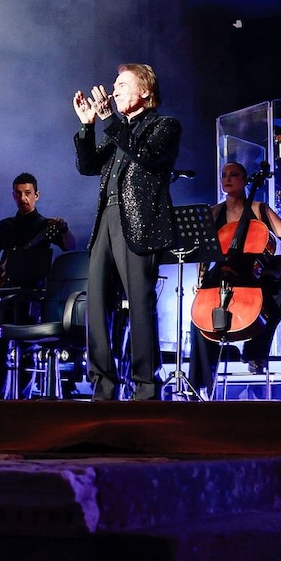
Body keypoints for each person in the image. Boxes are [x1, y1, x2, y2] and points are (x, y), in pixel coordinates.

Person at [72, 63, 180, 401]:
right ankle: (103, 387)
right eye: (114, 85)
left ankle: (146, 387)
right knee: (97, 304)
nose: (114, 90)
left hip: (140, 221)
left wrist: (109, 122)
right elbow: (88, 166)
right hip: (107, 217)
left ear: (145, 91)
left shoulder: (165, 126)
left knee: (139, 303)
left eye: (122, 84)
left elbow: (146, 156)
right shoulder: (118, 130)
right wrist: (88, 126)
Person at [191, 161, 281, 393]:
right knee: (199, 312)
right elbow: (205, 251)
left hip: (253, 273)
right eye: (224, 175)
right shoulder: (215, 213)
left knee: (279, 296)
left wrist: (277, 266)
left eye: (234, 174)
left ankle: (255, 353)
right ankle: (199, 381)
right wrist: (200, 279)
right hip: (222, 272)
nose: (227, 179)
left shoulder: (260, 210)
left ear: (245, 180)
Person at [0, 173, 73, 323]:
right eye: (18, 194)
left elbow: (70, 247)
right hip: (5, 289)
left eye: (27, 193)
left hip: (32, 291)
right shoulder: (6, 225)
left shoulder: (46, 225)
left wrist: (64, 229)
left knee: (27, 334)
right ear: (13, 196)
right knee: (0, 332)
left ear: (36, 195)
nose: (23, 198)